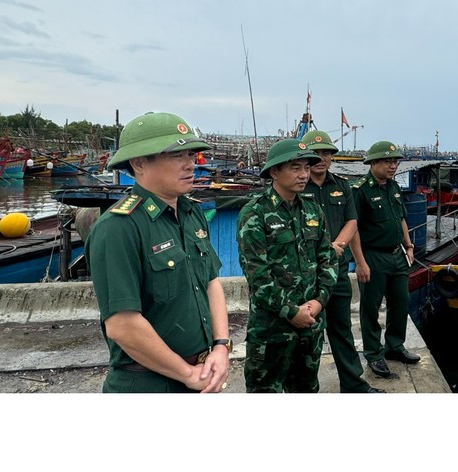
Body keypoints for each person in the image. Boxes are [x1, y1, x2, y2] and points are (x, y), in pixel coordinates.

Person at [85, 111, 231, 393]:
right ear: (139, 163)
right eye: (177, 156)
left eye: (190, 154)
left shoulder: (192, 213)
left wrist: (222, 347)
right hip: (148, 383)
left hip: (203, 373)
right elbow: (122, 325)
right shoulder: (119, 227)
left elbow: (211, 282)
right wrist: (187, 373)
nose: (191, 165)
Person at [236, 138, 337, 393]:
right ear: (274, 172)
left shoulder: (314, 211)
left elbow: (327, 259)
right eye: (295, 167)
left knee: (306, 391)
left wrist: (319, 301)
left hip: (311, 326)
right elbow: (257, 274)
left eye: (306, 167)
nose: (304, 174)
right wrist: (291, 311)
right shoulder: (255, 213)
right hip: (272, 331)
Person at [300, 130, 385, 393]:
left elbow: (352, 221)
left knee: (342, 331)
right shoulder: (298, 186)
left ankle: (354, 385)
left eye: (326, 153)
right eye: (315, 154)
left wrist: (338, 247)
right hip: (306, 274)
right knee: (307, 336)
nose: (321, 159)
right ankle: (304, 389)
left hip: (335, 272)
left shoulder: (342, 186)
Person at [350, 140, 420, 379]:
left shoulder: (393, 187)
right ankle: (373, 353)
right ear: (374, 163)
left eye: (395, 161)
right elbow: (353, 228)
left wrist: (409, 246)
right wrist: (360, 261)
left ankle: (394, 346)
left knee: (401, 301)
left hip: (397, 254)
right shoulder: (360, 191)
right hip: (373, 255)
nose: (393, 166)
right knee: (370, 307)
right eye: (388, 161)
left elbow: (400, 218)